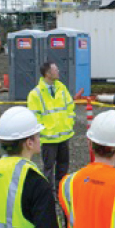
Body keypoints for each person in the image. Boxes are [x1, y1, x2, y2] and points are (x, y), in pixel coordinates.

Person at [27, 61, 75, 189]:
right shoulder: (35, 94)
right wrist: (45, 130)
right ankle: (48, 193)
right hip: (48, 138)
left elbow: (70, 107)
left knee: (63, 167)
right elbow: (34, 117)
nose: (58, 71)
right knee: (48, 168)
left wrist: (69, 123)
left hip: (64, 136)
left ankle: (61, 191)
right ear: (48, 73)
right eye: (55, 69)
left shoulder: (62, 88)